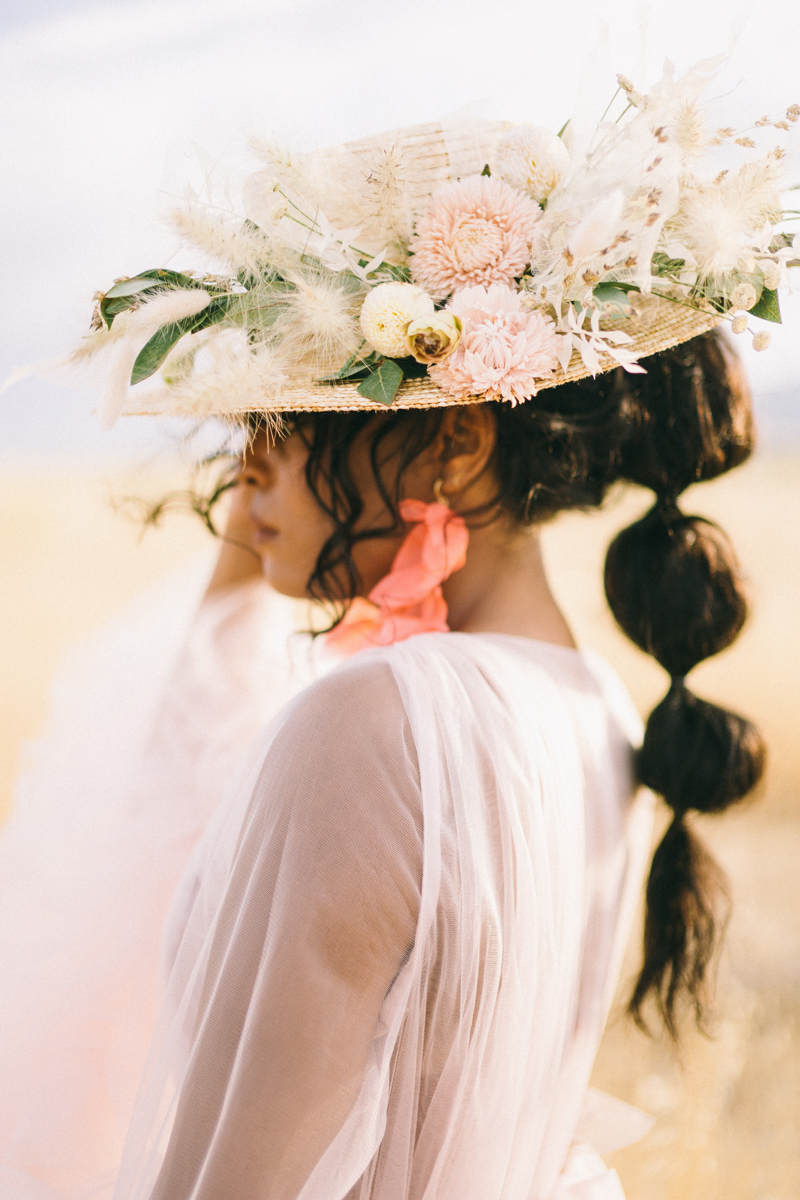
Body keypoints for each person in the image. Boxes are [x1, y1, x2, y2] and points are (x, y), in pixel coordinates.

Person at [0, 63, 785, 1200]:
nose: (243, 471)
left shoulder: (372, 720)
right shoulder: (595, 708)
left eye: (288, 416)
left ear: (458, 443)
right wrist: (279, 511)